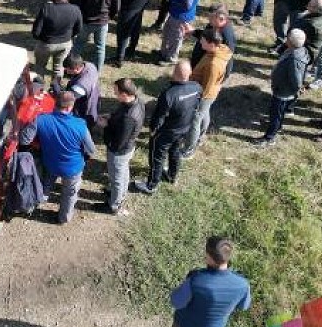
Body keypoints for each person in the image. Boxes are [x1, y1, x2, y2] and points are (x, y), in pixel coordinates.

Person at [158, 237, 251, 327]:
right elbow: (244, 306)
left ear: (210, 257)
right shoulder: (242, 284)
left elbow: (176, 302)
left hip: (185, 324)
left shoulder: (196, 279)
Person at [19, 91, 95, 224]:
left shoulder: (40, 119)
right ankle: (63, 218)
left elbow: (24, 140)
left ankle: (39, 200)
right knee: (69, 194)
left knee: (46, 183)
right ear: (70, 107)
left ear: (55, 103)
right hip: (73, 168)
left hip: (50, 163)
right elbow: (91, 149)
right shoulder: (80, 125)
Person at [135, 60, 201, 195]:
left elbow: (159, 116)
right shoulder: (197, 87)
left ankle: (151, 185)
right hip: (183, 129)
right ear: (190, 73)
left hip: (166, 132)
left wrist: (153, 130)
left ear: (174, 73)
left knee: (157, 158)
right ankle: (172, 176)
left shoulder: (169, 94)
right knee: (175, 152)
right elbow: (196, 106)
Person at [252, 28, 309, 147]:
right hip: (281, 89)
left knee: (276, 115)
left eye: (287, 38)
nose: (286, 39)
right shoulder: (296, 50)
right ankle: (277, 127)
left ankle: (269, 138)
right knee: (278, 114)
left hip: (283, 92)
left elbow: (296, 79)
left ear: (291, 41)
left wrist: (297, 89)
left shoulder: (295, 59)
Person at [182, 29, 232, 158]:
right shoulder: (219, 49)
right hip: (209, 92)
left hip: (205, 94)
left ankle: (189, 150)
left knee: (195, 119)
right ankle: (200, 137)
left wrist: (198, 99)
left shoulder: (214, 64)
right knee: (204, 114)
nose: (200, 42)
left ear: (211, 43)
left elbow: (208, 86)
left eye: (203, 41)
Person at [99, 78, 145, 216]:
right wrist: (111, 117)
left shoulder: (129, 118)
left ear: (125, 94)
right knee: (123, 172)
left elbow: (118, 143)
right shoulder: (136, 101)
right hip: (128, 148)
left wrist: (106, 126)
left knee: (117, 177)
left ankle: (114, 205)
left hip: (119, 152)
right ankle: (120, 194)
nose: (114, 94)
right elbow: (120, 115)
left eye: (116, 92)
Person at [71, 0, 119, 75]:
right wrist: (109, 17)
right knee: (100, 48)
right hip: (102, 22)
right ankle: (96, 72)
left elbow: (76, 1)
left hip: (85, 20)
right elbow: (116, 6)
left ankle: (71, 67)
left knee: (79, 44)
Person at [32, 0, 83, 85]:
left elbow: (36, 31)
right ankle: (55, 90)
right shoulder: (75, 9)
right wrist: (69, 36)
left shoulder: (47, 8)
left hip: (46, 43)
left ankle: (38, 89)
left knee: (39, 67)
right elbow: (79, 28)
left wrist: (42, 38)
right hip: (65, 43)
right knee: (59, 68)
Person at [189, 4, 237, 79]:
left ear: (221, 18)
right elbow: (206, 35)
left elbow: (227, 56)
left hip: (208, 71)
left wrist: (223, 76)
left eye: (211, 17)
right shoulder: (212, 24)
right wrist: (193, 32)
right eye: (209, 16)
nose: (208, 19)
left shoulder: (227, 34)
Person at [57, 54, 100, 129]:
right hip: (94, 98)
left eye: (67, 69)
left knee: (82, 128)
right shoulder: (90, 65)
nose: (66, 71)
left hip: (85, 111)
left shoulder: (81, 85)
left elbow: (67, 99)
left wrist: (57, 89)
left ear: (76, 69)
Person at [289, 0, 322, 68]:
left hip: (304, 51)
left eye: (310, 6)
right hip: (315, 48)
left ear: (316, 9)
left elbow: (293, 33)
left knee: (295, 69)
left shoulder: (309, 23)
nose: (307, 7)